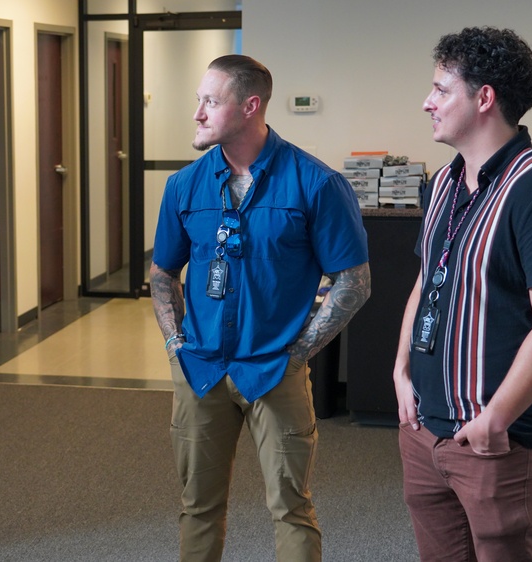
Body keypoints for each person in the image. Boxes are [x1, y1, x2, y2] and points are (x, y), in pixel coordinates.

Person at [150, 54, 371, 562]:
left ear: (250, 106)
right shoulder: (183, 185)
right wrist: (173, 342)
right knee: (197, 508)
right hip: (200, 370)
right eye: (198, 100)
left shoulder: (315, 183)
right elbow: (163, 272)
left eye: (210, 101)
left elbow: (354, 282)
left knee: (291, 508)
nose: (197, 113)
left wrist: (299, 354)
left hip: (276, 372)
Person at [393, 27, 532, 561]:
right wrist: (401, 370)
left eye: (440, 90)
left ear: (484, 98)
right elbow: (426, 279)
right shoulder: (444, 183)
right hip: (425, 431)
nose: (426, 102)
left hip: (497, 442)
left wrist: (495, 418)